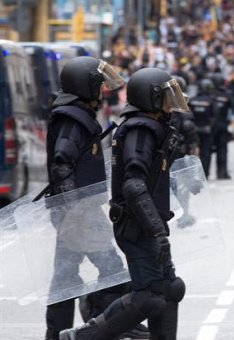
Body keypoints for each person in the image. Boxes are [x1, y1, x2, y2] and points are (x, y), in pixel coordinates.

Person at [59, 68, 189, 339]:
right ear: (151, 98)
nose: (170, 101)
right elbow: (133, 185)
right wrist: (156, 231)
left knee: (170, 289)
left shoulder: (151, 127)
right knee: (148, 297)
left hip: (149, 223)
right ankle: (82, 336)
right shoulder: (140, 130)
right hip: (137, 226)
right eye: (165, 95)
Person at [43, 56, 148, 340]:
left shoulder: (76, 114)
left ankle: (59, 332)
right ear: (84, 86)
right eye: (97, 84)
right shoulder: (73, 118)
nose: (102, 89)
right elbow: (62, 162)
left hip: (78, 210)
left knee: (65, 275)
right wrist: (73, 210)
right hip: (79, 211)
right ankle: (104, 325)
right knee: (112, 269)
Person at [170, 75, 200, 229]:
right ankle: (182, 215)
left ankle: (181, 215)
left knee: (176, 187)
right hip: (178, 155)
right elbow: (190, 130)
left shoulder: (160, 106)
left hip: (169, 155)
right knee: (182, 188)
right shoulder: (183, 109)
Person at [210, 73, 234, 180]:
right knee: (222, 150)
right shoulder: (227, 94)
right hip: (222, 125)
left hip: (210, 126)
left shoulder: (209, 94)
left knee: (206, 151)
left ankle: (205, 174)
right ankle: (222, 173)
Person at [189, 78, 216, 178]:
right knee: (206, 154)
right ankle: (205, 175)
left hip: (193, 131)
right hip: (207, 131)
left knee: (192, 153)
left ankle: (191, 175)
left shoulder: (192, 100)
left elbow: (189, 116)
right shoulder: (211, 101)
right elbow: (214, 117)